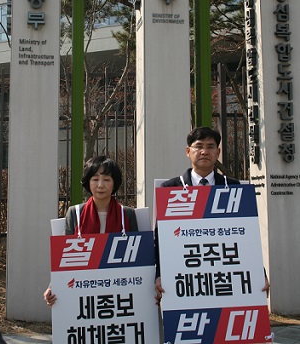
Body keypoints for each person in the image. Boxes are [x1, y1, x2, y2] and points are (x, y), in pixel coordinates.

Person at [154, 126, 270, 303]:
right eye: (198, 146)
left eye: (210, 147)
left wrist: (259, 273)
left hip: (224, 279)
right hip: (185, 278)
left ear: (218, 152)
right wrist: (159, 274)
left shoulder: (234, 188)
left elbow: (247, 237)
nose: (204, 151)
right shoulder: (170, 189)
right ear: (188, 151)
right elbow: (160, 238)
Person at [44, 156, 138, 307]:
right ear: (88, 182)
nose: (100, 185)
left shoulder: (126, 214)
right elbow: (65, 256)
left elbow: (138, 259)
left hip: (118, 287)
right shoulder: (75, 213)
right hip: (83, 288)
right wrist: (52, 286)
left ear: (115, 183)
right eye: (95, 179)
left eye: (107, 179)